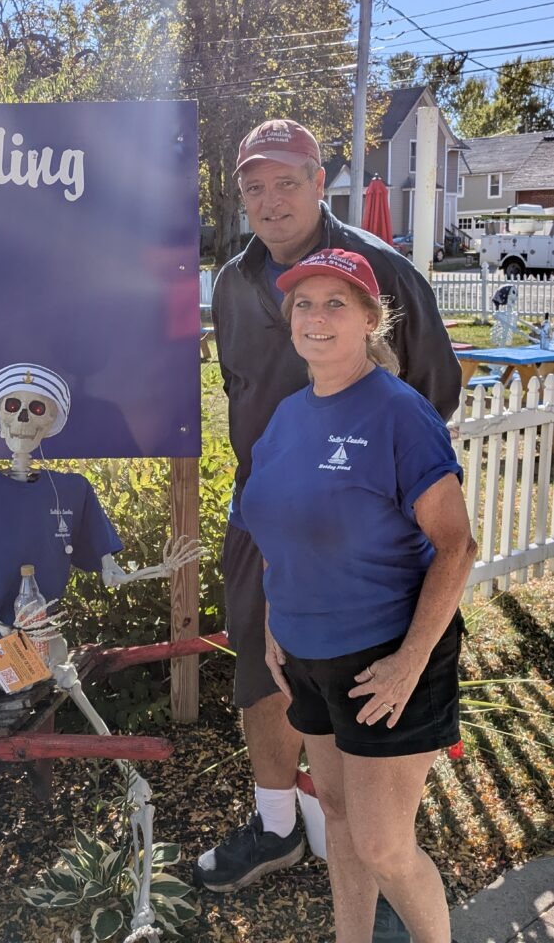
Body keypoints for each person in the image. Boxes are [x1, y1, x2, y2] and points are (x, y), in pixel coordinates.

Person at [194, 118, 462, 896]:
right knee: (263, 668)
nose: (271, 200)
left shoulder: (381, 271)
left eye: (287, 181)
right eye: (254, 186)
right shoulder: (232, 282)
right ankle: (278, 822)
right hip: (264, 519)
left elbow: (432, 393)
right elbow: (240, 392)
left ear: (319, 183)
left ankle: (380, 852)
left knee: (371, 677)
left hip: (364, 529)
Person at [240, 248, 475, 941]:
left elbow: (456, 546)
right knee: (337, 819)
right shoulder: (287, 417)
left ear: (371, 319)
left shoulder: (398, 414)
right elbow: (279, 528)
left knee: (383, 846)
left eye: (335, 303)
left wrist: (409, 663)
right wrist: (275, 621)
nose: (316, 317)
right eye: (304, 304)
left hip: (386, 658)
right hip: (308, 657)